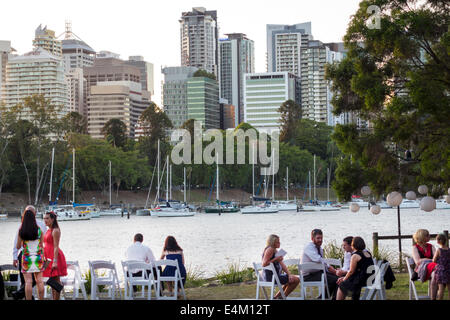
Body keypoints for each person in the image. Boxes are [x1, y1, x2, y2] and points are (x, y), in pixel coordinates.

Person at [12, 205, 47, 300]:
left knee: (28, 282)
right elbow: (41, 245)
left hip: (26, 258)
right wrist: (43, 258)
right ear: (34, 216)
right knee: (40, 281)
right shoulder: (39, 230)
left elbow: (18, 246)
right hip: (38, 257)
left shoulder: (21, 230)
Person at [301, 229, 339, 299]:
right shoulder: (309, 247)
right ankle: (325, 298)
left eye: (321, 238)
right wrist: (330, 268)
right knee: (335, 280)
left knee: (337, 278)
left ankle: (323, 298)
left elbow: (322, 264)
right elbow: (318, 259)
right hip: (308, 276)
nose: (320, 240)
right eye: (318, 238)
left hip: (317, 273)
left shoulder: (320, 249)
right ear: (312, 238)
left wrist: (332, 271)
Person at [261, 234, 300, 299]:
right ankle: (282, 297)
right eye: (277, 242)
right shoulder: (270, 249)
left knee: (291, 279)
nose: (279, 243)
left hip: (274, 276)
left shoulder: (274, 250)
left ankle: (276, 297)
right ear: (273, 242)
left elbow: (282, 265)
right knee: (296, 280)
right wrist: (276, 259)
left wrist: (289, 274)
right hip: (271, 277)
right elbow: (264, 264)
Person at [42, 211, 67, 300]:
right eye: (44, 218)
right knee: (52, 282)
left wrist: (54, 261)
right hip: (49, 258)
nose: (45, 220)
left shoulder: (55, 230)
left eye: (47, 218)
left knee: (56, 281)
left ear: (52, 219)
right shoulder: (48, 230)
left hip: (55, 257)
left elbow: (56, 246)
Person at [412, 229, 437, 299]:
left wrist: (425, 260)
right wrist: (431, 260)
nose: (429, 236)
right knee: (438, 268)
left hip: (433, 269)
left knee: (435, 274)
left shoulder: (431, 246)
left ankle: (433, 298)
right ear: (422, 237)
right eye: (427, 235)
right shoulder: (415, 248)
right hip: (421, 270)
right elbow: (418, 262)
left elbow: (437, 258)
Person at [433, 233, 450, 300]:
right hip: (449, 271)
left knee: (441, 289)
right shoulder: (449, 250)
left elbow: (434, 260)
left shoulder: (439, 250)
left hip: (441, 272)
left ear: (438, 241)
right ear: (446, 240)